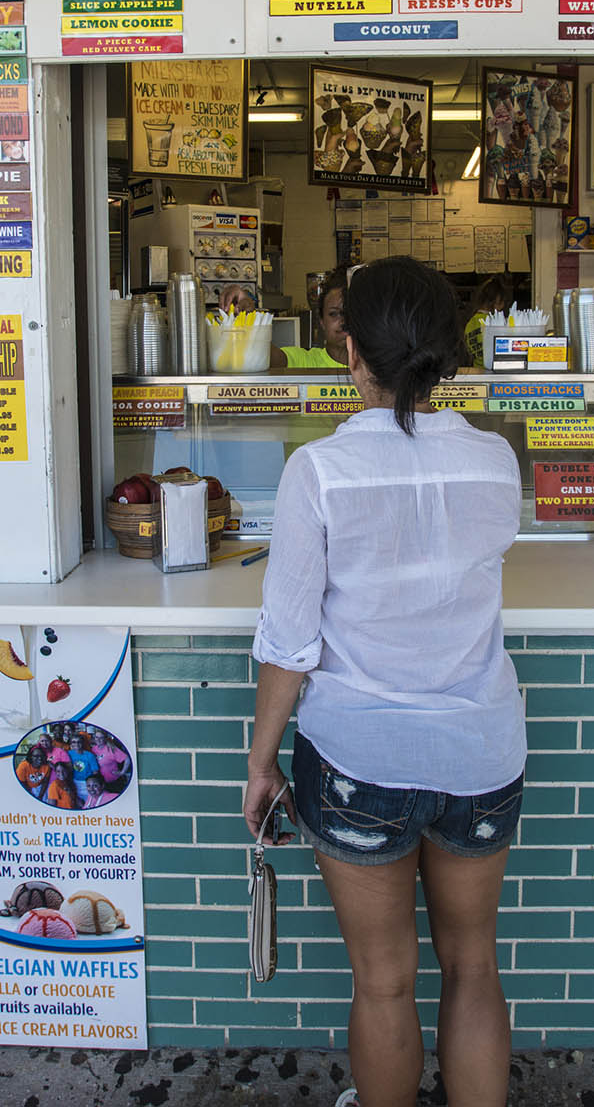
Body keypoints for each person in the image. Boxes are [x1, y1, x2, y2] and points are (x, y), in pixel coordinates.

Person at [243, 257, 525, 1107]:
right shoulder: (496, 462)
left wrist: (261, 765)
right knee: (472, 963)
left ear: (352, 352)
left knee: (385, 980)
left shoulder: (320, 471)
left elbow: (290, 645)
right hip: (480, 751)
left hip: (361, 759)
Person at [281, 266, 350, 368]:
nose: (343, 321)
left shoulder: (378, 367)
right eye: (334, 314)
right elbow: (266, 357)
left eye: (351, 313)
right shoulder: (304, 361)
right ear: (322, 321)